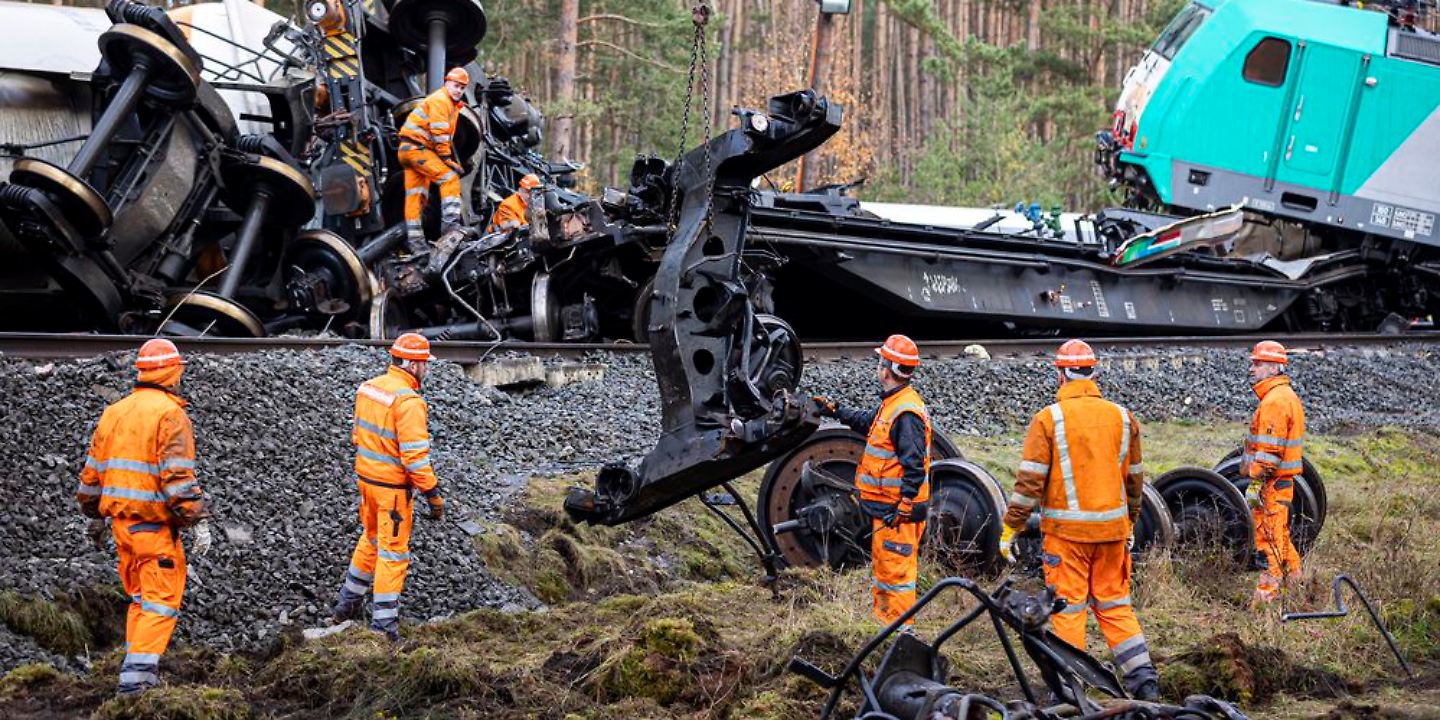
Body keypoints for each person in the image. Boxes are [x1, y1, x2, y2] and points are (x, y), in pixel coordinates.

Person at [997, 339, 1158, 700]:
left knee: (1068, 609)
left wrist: (1012, 526)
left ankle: (1068, 689)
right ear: (1093, 372)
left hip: (1068, 538)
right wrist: (1130, 522)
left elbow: (1028, 483)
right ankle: (1143, 680)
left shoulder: (1048, 419)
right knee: (1116, 606)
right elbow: (1135, 480)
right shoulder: (1122, 417)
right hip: (1113, 535)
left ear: (1060, 374)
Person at [76, 339, 213, 695]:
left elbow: (92, 473)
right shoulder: (170, 415)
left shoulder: (115, 411)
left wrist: (94, 514)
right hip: (153, 530)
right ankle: (136, 688)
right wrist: (197, 520)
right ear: (173, 372)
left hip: (122, 529)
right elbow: (177, 478)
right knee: (160, 604)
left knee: (140, 600)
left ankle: (133, 674)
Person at [331, 333, 445, 640]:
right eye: (423, 364)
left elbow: (357, 436)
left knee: (370, 540)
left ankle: (346, 605)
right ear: (410, 364)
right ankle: (384, 628)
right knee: (393, 554)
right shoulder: (409, 402)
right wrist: (433, 496)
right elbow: (415, 460)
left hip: (365, 480)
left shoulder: (368, 388)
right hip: (391, 491)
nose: (426, 369)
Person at [813, 334, 931, 626]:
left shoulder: (906, 412)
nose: (878, 368)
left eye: (880, 362)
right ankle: (883, 627)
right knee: (885, 571)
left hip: (899, 513)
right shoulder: (893, 404)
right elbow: (868, 423)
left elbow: (914, 465)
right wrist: (836, 410)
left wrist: (905, 503)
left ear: (887, 369)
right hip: (888, 511)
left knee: (897, 577)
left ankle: (900, 635)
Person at [1241, 340, 1305, 605]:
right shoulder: (1282, 396)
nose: (1252, 368)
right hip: (1280, 483)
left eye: (1258, 363)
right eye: (1253, 362)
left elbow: (1268, 455)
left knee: (1267, 538)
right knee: (1280, 534)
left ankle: (1267, 596)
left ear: (1274, 367)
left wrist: (1254, 477)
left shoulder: (1275, 402)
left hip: (1271, 482)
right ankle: (1297, 583)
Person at [398, 67, 469, 255]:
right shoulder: (440, 100)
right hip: (417, 149)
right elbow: (439, 131)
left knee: (417, 197)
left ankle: (416, 245)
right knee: (450, 179)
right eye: (456, 86)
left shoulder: (447, 103)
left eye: (462, 88)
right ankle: (450, 231)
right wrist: (446, 159)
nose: (459, 90)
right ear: (446, 83)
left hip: (408, 150)